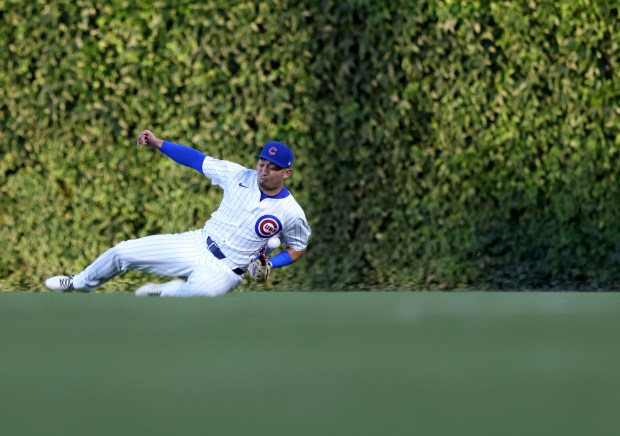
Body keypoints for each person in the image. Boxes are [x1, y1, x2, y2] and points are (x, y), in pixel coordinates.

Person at [44, 130, 312, 297]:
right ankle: (79, 283)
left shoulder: (291, 212)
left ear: (286, 173)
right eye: (261, 162)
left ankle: (168, 292)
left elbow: (297, 247)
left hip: (226, 270)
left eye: (272, 167)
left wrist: (269, 264)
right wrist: (159, 143)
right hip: (197, 242)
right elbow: (196, 159)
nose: (264, 170)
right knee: (122, 252)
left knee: (194, 298)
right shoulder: (237, 175)